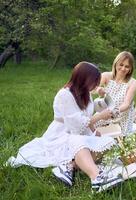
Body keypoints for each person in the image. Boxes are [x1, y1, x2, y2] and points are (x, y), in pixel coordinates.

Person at [7, 62, 122, 192]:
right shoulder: (65, 95)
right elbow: (76, 126)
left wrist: (95, 130)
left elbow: (86, 114)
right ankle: (97, 178)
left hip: (80, 133)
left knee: (109, 143)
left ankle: (70, 165)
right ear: (83, 79)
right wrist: (101, 116)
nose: (96, 85)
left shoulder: (86, 93)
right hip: (63, 133)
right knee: (77, 141)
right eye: (94, 82)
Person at [94, 51, 136, 135]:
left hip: (122, 115)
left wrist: (115, 110)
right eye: (121, 65)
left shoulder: (132, 82)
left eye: (127, 66)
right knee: (91, 129)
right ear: (116, 64)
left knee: (119, 137)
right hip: (105, 112)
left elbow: (126, 103)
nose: (123, 68)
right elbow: (92, 89)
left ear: (130, 69)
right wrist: (98, 90)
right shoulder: (106, 76)